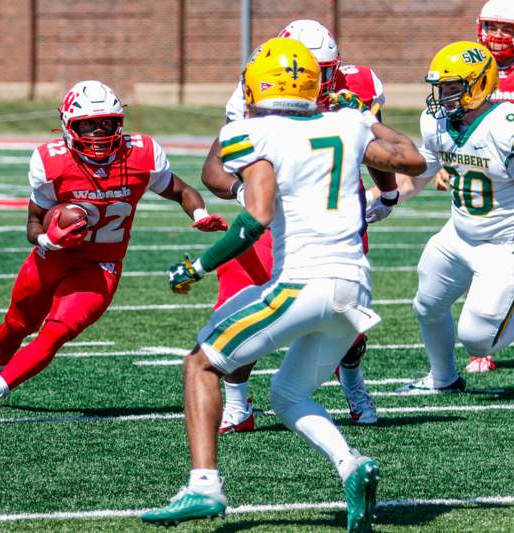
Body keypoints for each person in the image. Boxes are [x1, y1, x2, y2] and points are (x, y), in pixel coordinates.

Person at [141, 38, 426, 530]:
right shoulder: (347, 121)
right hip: (354, 289)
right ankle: (352, 465)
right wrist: (364, 116)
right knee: (289, 394)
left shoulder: (252, 132)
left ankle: (204, 485)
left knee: (200, 363)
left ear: (257, 84)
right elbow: (411, 160)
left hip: (303, 283)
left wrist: (199, 267)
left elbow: (255, 217)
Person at [0, 80, 228, 425]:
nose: (98, 132)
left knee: (55, 333)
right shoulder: (51, 161)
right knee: (18, 323)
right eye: (89, 124)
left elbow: (181, 190)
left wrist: (199, 214)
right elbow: (32, 224)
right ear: (70, 124)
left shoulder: (141, 154)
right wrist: (47, 241)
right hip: (53, 258)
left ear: (119, 123)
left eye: (107, 123)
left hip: (101, 266)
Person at [205, 19, 391, 432]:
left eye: (327, 69)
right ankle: (238, 404)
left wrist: (389, 192)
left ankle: (354, 383)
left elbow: (378, 151)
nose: (320, 80)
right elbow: (215, 167)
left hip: (333, 210)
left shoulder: (359, 83)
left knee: (348, 313)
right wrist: (247, 195)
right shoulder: (259, 84)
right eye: (312, 67)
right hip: (276, 211)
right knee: (239, 306)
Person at [371, 42, 514, 395]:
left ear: (478, 85)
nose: (442, 95)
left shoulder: (511, 126)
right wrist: (380, 198)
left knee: (478, 341)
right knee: (426, 306)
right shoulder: (436, 121)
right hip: (459, 232)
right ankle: (443, 377)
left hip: (508, 239)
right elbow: (420, 174)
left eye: (452, 87)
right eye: (440, 87)